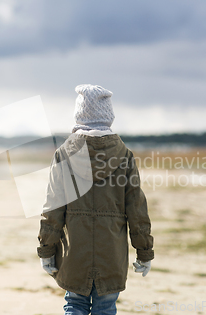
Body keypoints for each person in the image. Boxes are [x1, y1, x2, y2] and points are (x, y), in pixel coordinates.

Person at [37, 84, 154, 315]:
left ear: (79, 115)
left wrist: (46, 249)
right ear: (108, 116)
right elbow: (137, 210)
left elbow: (53, 208)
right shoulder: (125, 156)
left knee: (75, 305)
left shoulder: (63, 154)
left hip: (74, 254)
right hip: (111, 253)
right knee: (106, 307)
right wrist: (144, 251)